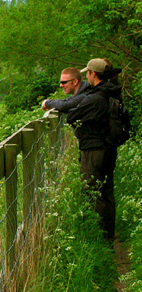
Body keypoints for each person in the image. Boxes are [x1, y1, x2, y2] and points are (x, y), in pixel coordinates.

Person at [67, 58, 122, 241]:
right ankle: (109, 235)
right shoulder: (112, 93)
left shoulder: (95, 98)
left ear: (92, 74)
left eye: (87, 73)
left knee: (92, 192)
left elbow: (72, 116)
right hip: (109, 148)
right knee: (107, 192)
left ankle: (97, 237)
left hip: (93, 150)